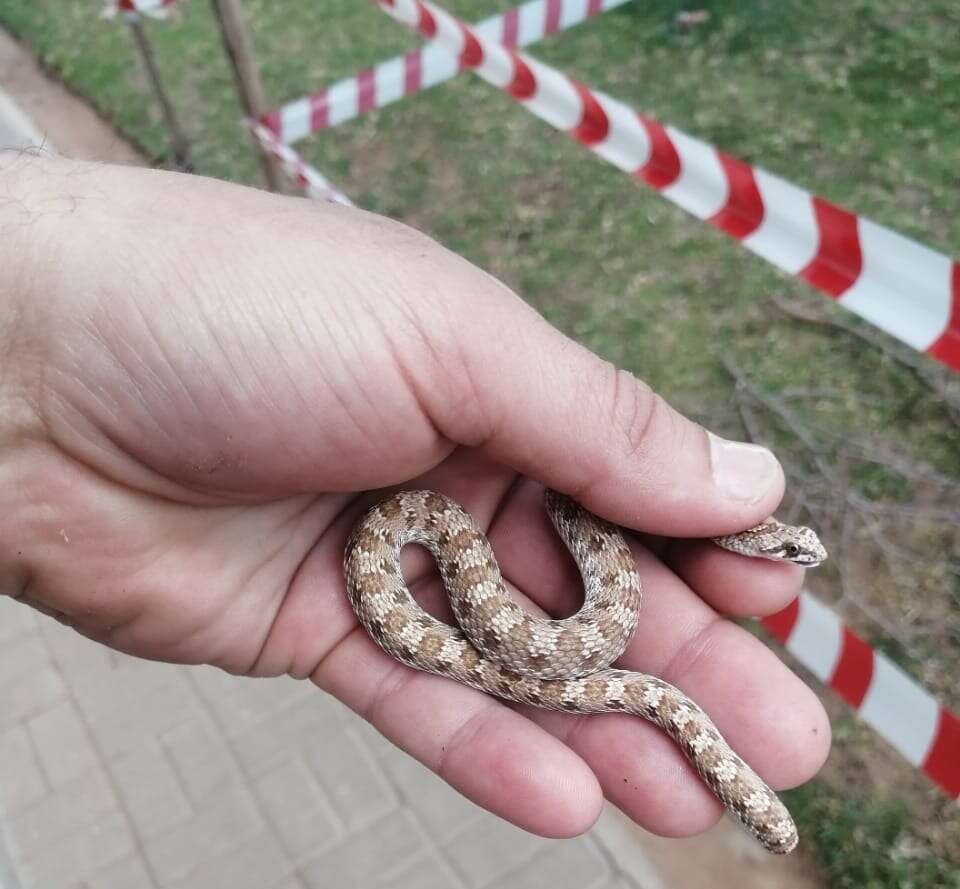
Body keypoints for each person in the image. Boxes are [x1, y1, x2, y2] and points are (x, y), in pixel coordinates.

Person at [0, 153, 828, 841]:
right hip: (405, 541)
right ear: (756, 534)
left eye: (789, 547)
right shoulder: (540, 514)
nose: (797, 553)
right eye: (789, 544)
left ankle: (731, 782)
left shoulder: (599, 543)